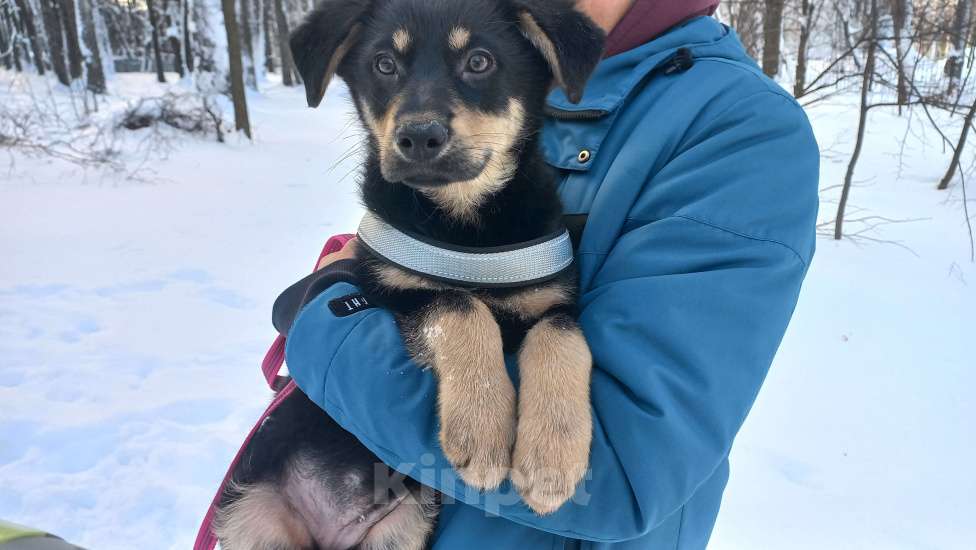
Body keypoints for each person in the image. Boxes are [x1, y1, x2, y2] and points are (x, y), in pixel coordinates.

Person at [286, 0, 819, 548]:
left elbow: (624, 471)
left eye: (476, 66)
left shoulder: (736, 129)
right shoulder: (490, 32)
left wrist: (326, 328)